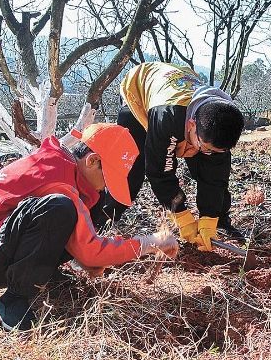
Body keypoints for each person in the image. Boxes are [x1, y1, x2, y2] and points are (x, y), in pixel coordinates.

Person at [0, 123, 179, 331]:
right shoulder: (58, 181)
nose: (105, 187)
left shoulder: (65, 167)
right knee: (59, 209)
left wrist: (86, 257)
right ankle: (14, 299)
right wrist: (152, 242)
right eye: (107, 178)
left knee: (78, 208)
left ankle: (45, 273)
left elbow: (82, 242)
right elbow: (91, 252)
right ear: (92, 161)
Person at [101, 62, 245, 247]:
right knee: (133, 168)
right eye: (205, 146)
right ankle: (104, 220)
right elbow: (159, 170)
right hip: (139, 91)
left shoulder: (222, 120)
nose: (208, 153)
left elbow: (216, 177)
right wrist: (180, 213)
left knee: (208, 165)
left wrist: (210, 218)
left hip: (180, 98)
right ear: (191, 125)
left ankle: (221, 222)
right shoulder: (166, 117)